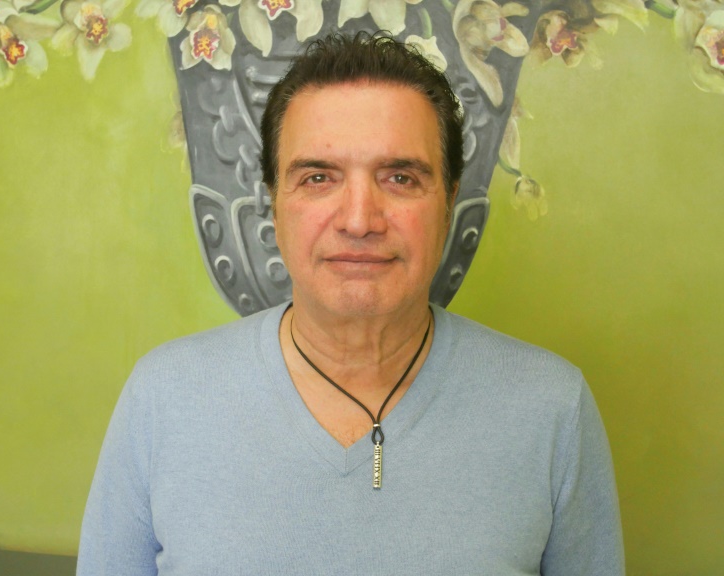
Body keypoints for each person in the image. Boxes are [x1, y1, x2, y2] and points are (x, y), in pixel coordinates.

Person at [77, 32, 624, 575]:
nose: (360, 220)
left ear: (449, 202)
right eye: (318, 177)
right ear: (274, 204)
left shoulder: (554, 410)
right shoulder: (162, 399)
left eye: (400, 177)